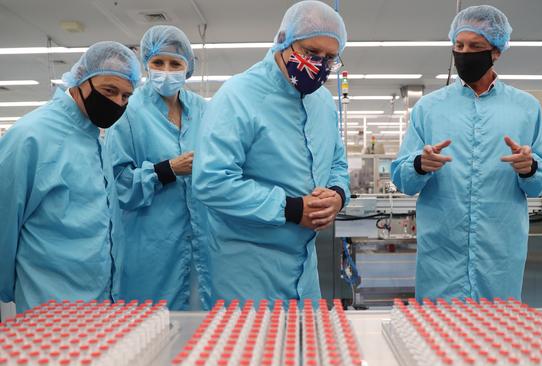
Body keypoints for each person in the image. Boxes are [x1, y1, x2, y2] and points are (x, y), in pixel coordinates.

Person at [391, 5, 542, 301]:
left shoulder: (525, 108)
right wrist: (420, 164)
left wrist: (529, 168)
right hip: (441, 255)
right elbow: (402, 180)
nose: (465, 52)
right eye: (459, 45)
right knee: (434, 340)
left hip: (498, 255)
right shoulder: (429, 109)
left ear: (496, 51)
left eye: (475, 46)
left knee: (496, 338)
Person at [193, 0, 350, 303]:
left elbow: (337, 164)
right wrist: (291, 209)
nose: (319, 64)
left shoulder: (322, 104)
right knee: (250, 350)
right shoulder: (238, 97)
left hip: (304, 270)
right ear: (283, 42)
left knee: (304, 349)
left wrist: (336, 195)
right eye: (311, 53)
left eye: (330, 58)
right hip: (246, 271)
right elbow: (211, 181)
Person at [0, 41, 140, 312]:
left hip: (100, 304)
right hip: (49, 309)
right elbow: (4, 223)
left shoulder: (95, 139)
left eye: (125, 96)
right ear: (80, 81)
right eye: (109, 91)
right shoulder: (31, 136)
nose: (117, 103)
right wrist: (8, 290)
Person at [105, 25, 211, 310]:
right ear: (146, 65)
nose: (166, 70)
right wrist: (168, 170)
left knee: (200, 337)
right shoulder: (127, 112)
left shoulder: (204, 111)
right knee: (148, 336)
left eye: (175, 63)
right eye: (158, 62)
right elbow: (119, 185)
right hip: (149, 247)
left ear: (187, 68)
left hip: (200, 246)